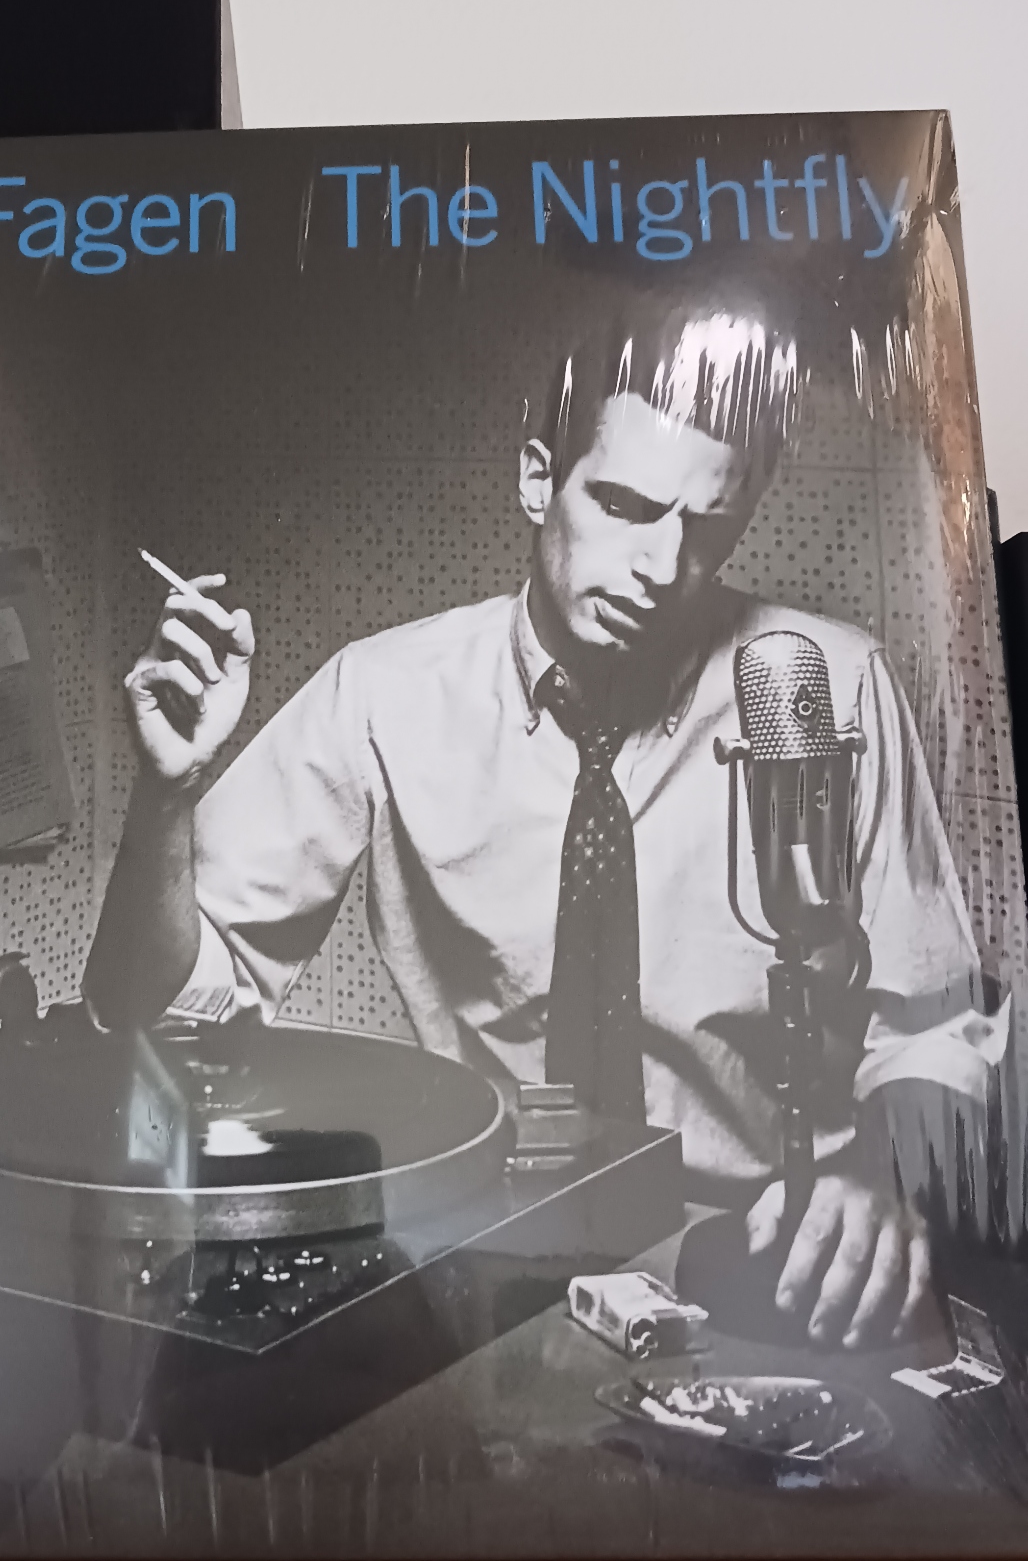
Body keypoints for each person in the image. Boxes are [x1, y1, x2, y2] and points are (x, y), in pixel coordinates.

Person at [82, 296, 1006, 1350]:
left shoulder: (827, 687)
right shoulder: (382, 698)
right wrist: (166, 796)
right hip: (494, 1264)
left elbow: (936, 1030)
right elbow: (153, 1008)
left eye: (705, 528)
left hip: (775, 1261)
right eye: (623, 504)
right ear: (537, 478)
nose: (659, 567)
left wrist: (882, 1180)